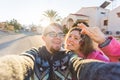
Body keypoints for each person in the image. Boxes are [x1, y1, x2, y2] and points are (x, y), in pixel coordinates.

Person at [1, 23, 120, 80]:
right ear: (43, 38)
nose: (59, 37)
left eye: (60, 34)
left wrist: (104, 41)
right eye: (52, 34)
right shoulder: (35, 53)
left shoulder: (73, 56)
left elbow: (82, 65)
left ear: (83, 42)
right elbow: (24, 61)